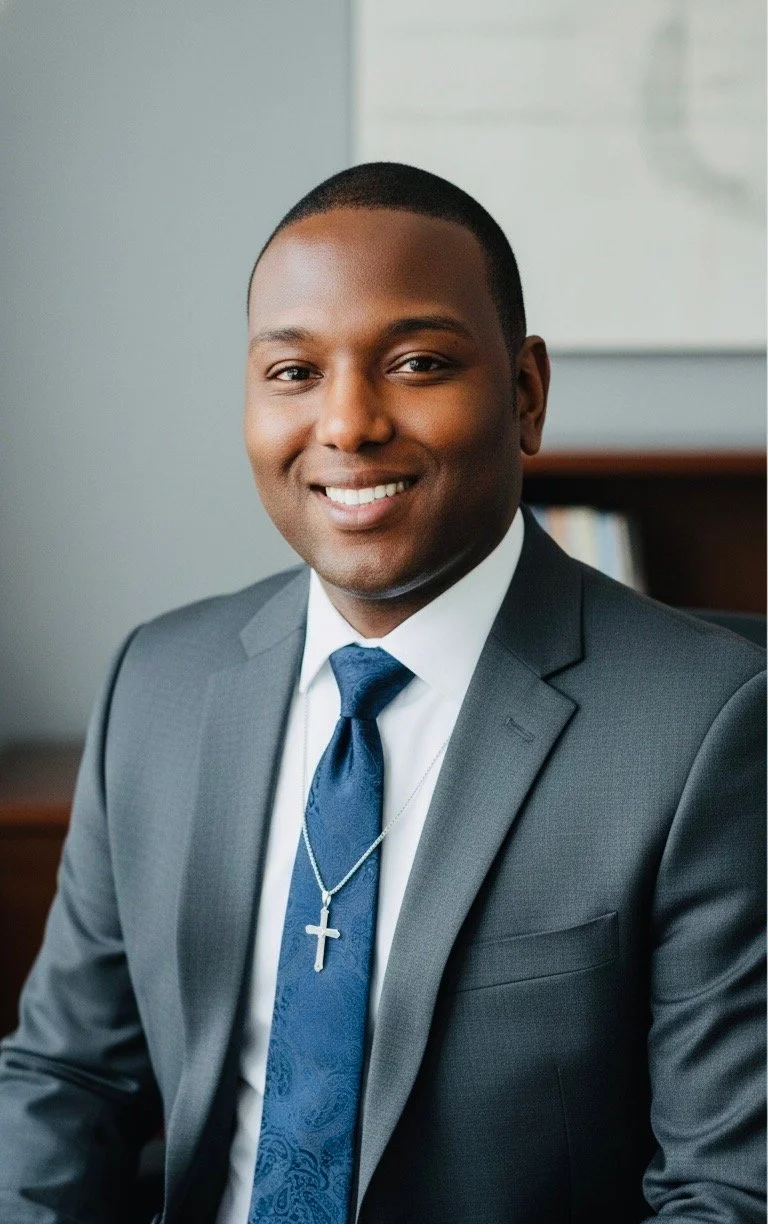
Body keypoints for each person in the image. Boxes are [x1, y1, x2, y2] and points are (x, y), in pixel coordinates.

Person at [0, 162, 764, 1224]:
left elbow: (726, 1193)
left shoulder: (707, 725)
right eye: (293, 373)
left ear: (527, 392)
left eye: (417, 363)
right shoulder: (158, 686)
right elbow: (67, 1079)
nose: (348, 423)